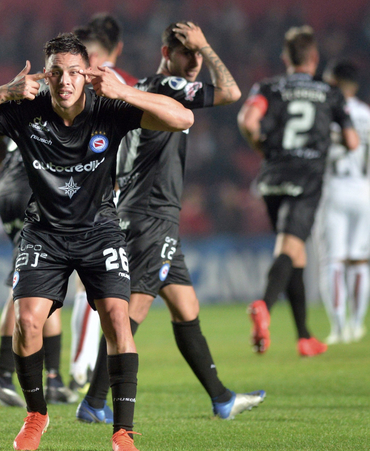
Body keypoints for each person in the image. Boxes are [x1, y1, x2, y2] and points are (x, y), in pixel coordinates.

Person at [0, 32, 193, 451]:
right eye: (56, 73)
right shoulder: (25, 109)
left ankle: (123, 432)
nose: (65, 81)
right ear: (46, 74)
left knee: (117, 317)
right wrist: (4, 90)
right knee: (26, 322)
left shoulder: (109, 107)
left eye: (74, 72)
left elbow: (182, 118)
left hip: (100, 230)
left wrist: (125, 92)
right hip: (44, 233)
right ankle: (37, 414)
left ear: (86, 73)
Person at [77, 21, 265, 425]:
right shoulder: (169, 88)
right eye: (188, 54)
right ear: (167, 54)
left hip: (143, 212)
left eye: (197, 55)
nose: (195, 61)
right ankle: (93, 402)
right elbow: (232, 92)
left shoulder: (140, 90)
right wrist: (210, 45)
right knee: (132, 313)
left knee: (185, 306)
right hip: (152, 216)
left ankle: (221, 398)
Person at [238, 25, 358, 357]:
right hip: (306, 178)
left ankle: (304, 336)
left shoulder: (269, 86)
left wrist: (259, 146)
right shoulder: (328, 91)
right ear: (314, 58)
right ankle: (264, 303)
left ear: (286, 58)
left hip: (273, 175)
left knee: (295, 252)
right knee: (289, 248)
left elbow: (249, 121)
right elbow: (352, 141)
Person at [68, 14, 139, 395]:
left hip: (80, 190)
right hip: (121, 191)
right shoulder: (124, 81)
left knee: (88, 286)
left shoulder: (76, 78)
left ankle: (81, 367)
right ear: (119, 46)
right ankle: (84, 368)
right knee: (104, 288)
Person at [0, 132, 77, 407]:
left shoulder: (22, 95)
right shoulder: (61, 99)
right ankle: (2, 378)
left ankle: (54, 380)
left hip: (8, 188)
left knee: (45, 279)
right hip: (32, 189)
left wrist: (14, 166)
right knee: (31, 283)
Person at [315, 60, 370, 344]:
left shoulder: (327, 111)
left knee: (332, 262)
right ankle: (357, 325)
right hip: (364, 192)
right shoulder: (367, 114)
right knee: (360, 262)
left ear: (334, 83)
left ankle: (338, 328)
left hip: (334, 190)